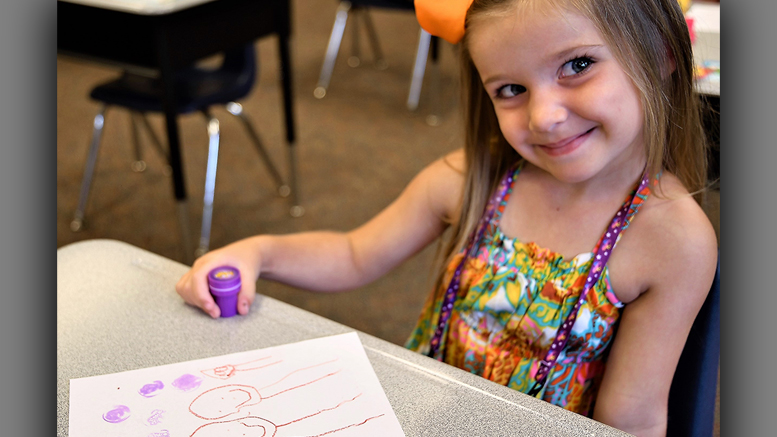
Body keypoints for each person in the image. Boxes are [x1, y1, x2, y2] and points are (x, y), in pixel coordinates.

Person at [176, 0, 718, 434]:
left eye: (578, 65)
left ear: (663, 52)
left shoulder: (672, 238)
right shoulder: (469, 180)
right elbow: (352, 255)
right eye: (511, 89)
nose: (544, 116)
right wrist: (258, 253)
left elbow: (630, 421)